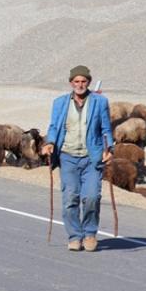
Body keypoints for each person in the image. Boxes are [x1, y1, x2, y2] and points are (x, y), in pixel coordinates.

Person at [40, 65, 113, 252]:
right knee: (70, 198)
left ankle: (89, 234)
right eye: (76, 81)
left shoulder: (100, 102)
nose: (80, 84)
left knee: (91, 197)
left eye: (83, 81)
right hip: (68, 156)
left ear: (88, 82)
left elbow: (106, 129)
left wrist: (108, 149)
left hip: (92, 157)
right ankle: (74, 236)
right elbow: (55, 126)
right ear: (71, 83)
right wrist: (50, 143)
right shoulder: (60, 103)